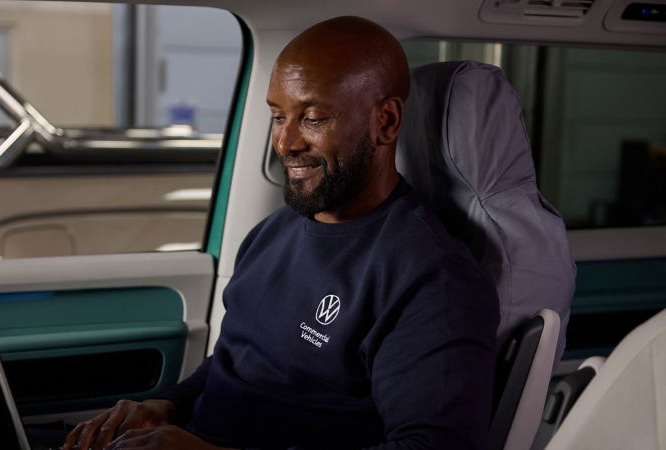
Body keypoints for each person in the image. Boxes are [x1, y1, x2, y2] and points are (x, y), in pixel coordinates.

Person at [63, 16, 499, 450]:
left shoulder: (433, 278)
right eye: (277, 116)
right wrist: (164, 405)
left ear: (384, 122)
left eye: (312, 117)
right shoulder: (272, 233)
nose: (285, 143)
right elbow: (239, 363)